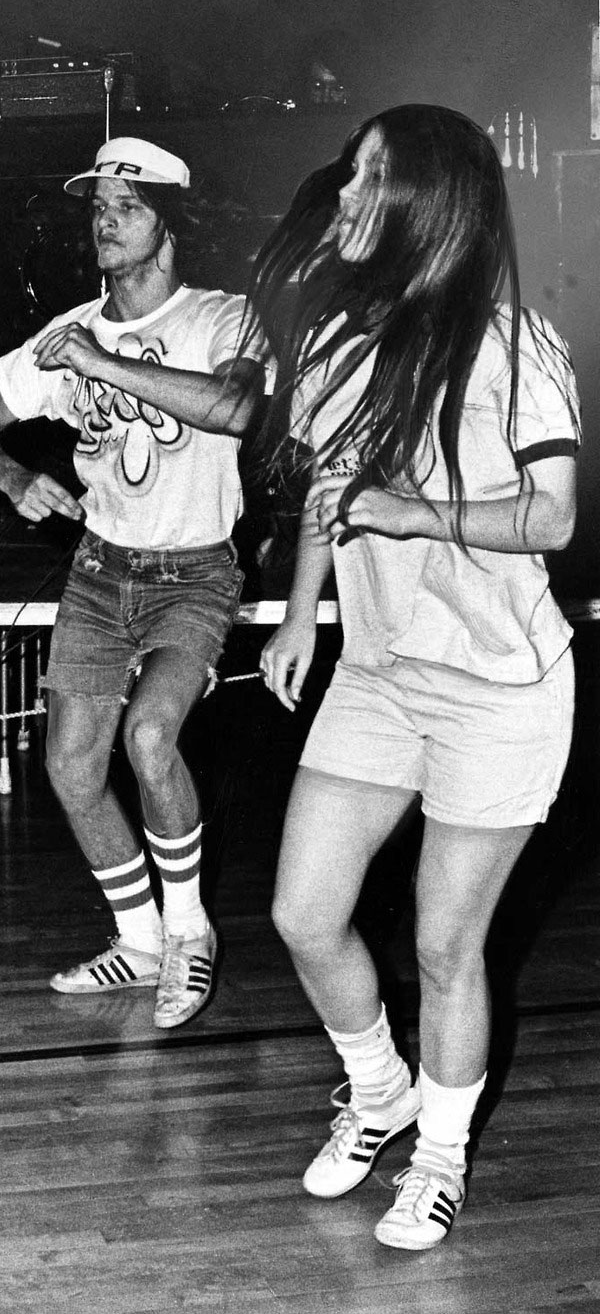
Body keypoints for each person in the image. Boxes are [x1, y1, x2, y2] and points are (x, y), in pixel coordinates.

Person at [254, 104, 579, 1250]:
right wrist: (302, 612)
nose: (341, 197)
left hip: (495, 688)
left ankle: (437, 1158)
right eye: (346, 176)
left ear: (426, 203)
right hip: (380, 673)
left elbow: (550, 515)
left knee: (446, 945)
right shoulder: (340, 344)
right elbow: (324, 487)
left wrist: (411, 510)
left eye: (366, 179)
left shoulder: (513, 342)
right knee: (303, 912)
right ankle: (377, 1088)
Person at [0, 136, 268, 1030]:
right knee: (69, 768)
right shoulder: (65, 329)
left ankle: (190, 935)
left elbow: (236, 408)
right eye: (97, 207)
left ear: (172, 223)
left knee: (154, 734)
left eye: (125, 207)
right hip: (100, 572)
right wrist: (16, 480)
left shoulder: (225, 317)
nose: (104, 222)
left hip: (194, 573)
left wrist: (99, 363)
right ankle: (138, 942)